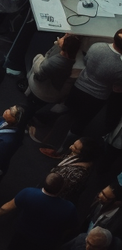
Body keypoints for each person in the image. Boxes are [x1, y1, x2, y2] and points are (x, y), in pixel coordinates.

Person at [41, 29, 122, 157]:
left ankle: (44, 124)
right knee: (80, 124)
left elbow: (86, 61)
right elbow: (117, 84)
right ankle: (62, 150)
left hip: (79, 87)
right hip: (98, 97)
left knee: (67, 109)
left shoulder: (97, 47)